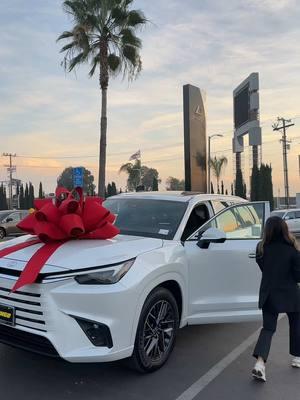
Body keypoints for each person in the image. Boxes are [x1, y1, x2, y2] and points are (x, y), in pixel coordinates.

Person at [252, 216, 300, 382]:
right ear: (284, 229)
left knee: (268, 329)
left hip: (269, 294)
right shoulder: (293, 249)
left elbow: (263, 268)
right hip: (290, 294)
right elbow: (298, 275)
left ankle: (260, 363)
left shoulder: (261, 248)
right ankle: (297, 357)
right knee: (296, 323)